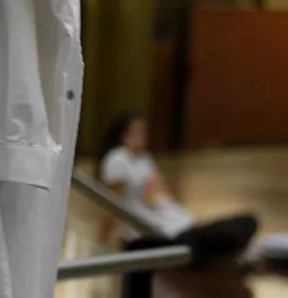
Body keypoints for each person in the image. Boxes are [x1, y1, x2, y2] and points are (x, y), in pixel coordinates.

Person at [97, 112, 258, 266]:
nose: (143, 135)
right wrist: (100, 245)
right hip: (161, 236)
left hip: (180, 226)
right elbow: (112, 205)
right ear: (123, 133)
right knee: (235, 232)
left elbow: (163, 196)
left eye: (144, 130)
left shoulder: (143, 158)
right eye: (137, 130)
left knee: (247, 221)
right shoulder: (116, 159)